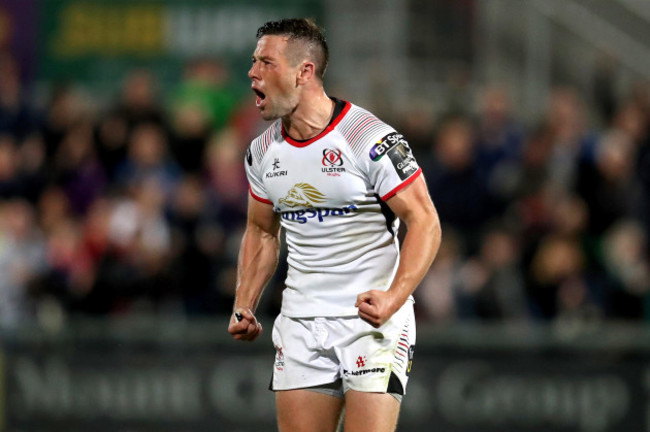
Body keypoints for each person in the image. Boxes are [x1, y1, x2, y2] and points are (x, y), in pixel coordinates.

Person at [227, 18, 441, 432]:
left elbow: (425, 222)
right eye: (253, 62)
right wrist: (245, 301)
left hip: (370, 321)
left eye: (266, 63)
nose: (252, 73)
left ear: (303, 72)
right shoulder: (261, 153)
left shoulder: (370, 140)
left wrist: (394, 297)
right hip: (302, 321)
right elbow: (261, 231)